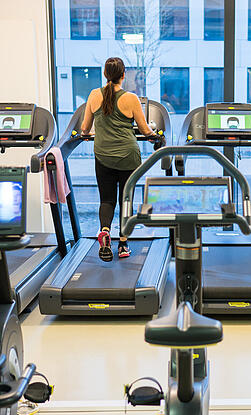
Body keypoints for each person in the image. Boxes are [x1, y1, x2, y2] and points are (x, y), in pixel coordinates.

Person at [81, 57, 156, 262]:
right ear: (123, 75)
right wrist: (155, 135)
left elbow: (85, 129)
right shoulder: (130, 98)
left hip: (103, 155)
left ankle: (105, 230)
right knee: (126, 199)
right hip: (128, 157)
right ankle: (123, 244)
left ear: (105, 75)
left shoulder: (94, 95)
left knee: (107, 199)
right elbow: (144, 129)